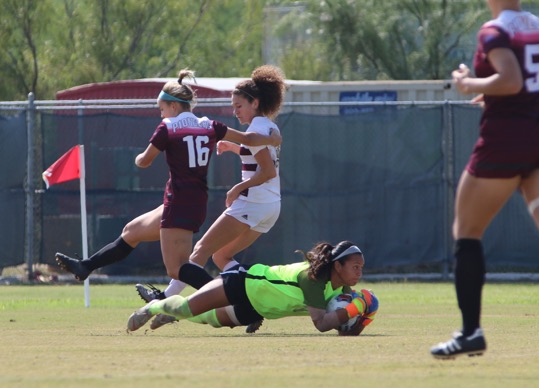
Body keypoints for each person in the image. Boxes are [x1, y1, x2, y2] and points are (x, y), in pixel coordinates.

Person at [430, 0, 539, 359]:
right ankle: (469, 333)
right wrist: (496, 95)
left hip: (505, 140)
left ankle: (471, 333)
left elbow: (510, 80)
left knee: (467, 232)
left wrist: (466, 83)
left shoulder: (494, 30)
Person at [55, 69, 282, 294]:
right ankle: (87, 266)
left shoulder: (169, 127)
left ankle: (232, 299)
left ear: (174, 106)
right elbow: (247, 140)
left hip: (184, 201)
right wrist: (272, 139)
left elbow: (144, 161)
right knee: (132, 231)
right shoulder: (208, 124)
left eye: (162, 109)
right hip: (191, 199)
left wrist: (137, 159)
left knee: (180, 267)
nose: (161, 115)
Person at [135, 65, 286, 332]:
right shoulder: (267, 126)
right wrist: (236, 148)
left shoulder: (258, 126)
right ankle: (252, 300)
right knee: (221, 256)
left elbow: (267, 171)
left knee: (199, 253)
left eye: (239, 105)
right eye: (233, 106)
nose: (235, 111)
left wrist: (238, 188)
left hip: (253, 202)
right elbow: (260, 153)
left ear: (255, 102)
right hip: (270, 206)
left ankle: (168, 302)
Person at [127, 240, 379, 336]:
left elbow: (341, 328)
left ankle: (169, 316)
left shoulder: (340, 291)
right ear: (337, 266)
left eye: (361, 268)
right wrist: (358, 305)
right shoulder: (313, 278)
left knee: (210, 320)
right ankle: (156, 305)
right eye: (355, 266)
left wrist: (362, 318)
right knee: (185, 307)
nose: (360, 273)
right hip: (245, 282)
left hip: (258, 309)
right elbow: (322, 324)